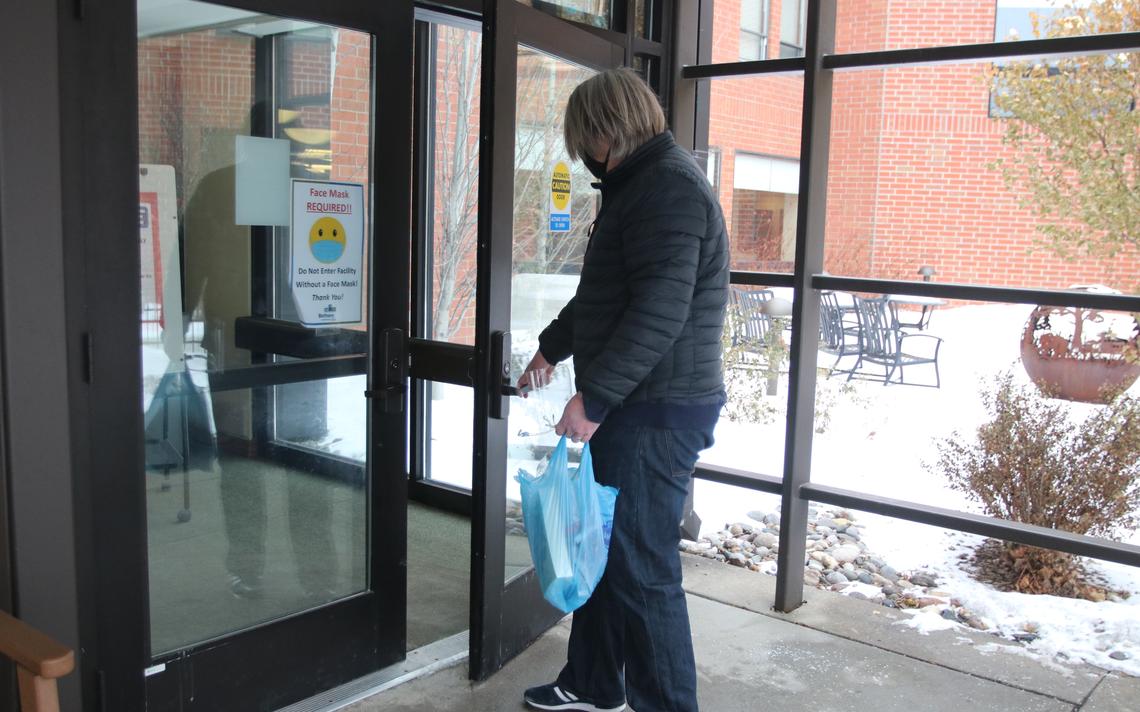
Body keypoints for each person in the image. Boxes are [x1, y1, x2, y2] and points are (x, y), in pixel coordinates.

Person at [519, 68, 729, 712]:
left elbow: (658, 314)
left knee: (642, 568)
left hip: (655, 412)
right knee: (603, 549)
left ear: (609, 130)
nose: (585, 154)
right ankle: (593, 680)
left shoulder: (668, 191)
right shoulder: (638, 185)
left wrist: (597, 398)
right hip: (640, 404)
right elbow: (607, 297)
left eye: (586, 140)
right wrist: (552, 349)